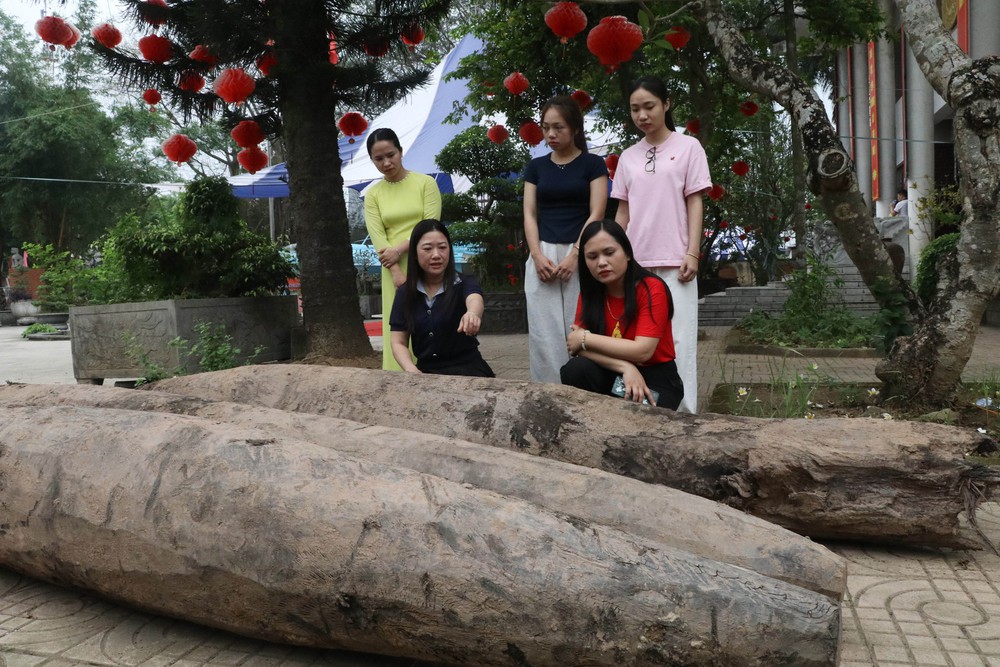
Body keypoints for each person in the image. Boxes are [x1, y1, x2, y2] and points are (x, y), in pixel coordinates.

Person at [611, 76, 712, 413]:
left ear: (666, 105)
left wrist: (692, 251)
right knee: (637, 340)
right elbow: (622, 211)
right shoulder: (628, 157)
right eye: (635, 109)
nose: (642, 115)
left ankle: (685, 415)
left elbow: (695, 202)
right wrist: (613, 254)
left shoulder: (689, 147)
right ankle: (641, 410)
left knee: (680, 342)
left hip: (676, 261)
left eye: (649, 106)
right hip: (635, 264)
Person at [522, 95, 608, 383]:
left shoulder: (593, 164)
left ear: (575, 128)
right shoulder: (536, 167)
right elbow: (530, 214)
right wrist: (536, 255)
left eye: (558, 127)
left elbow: (597, 211)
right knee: (544, 334)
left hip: (583, 252)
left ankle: (584, 389)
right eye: (546, 127)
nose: (550, 134)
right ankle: (547, 396)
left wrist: (575, 254)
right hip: (542, 252)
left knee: (582, 327)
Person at [560, 220, 683, 410]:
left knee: (636, 416)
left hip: (655, 379)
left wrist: (585, 338)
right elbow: (576, 346)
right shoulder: (590, 294)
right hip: (612, 372)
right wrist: (625, 367)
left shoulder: (651, 288)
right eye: (592, 256)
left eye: (609, 253)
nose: (601, 262)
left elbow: (643, 350)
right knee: (576, 370)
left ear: (627, 253)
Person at [364, 128, 442, 370]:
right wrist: (396, 268)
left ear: (400, 151)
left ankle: (434, 367)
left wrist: (398, 249)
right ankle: (399, 373)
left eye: (391, 155)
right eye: (379, 159)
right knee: (399, 321)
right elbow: (378, 237)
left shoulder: (426, 183)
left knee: (432, 316)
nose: (386, 163)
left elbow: (431, 226)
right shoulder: (373, 194)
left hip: (429, 259)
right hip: (393, 270)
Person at [389, 219, 495, 377]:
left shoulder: (463, 282)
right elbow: (398, 341)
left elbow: (475, 299)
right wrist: (411, 369)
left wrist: (472, 313)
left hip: (468, 371)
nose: (436, 255)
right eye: (427, 248)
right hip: (426, 373)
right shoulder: (405, 293)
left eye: (442, 247)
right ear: (415, 254)